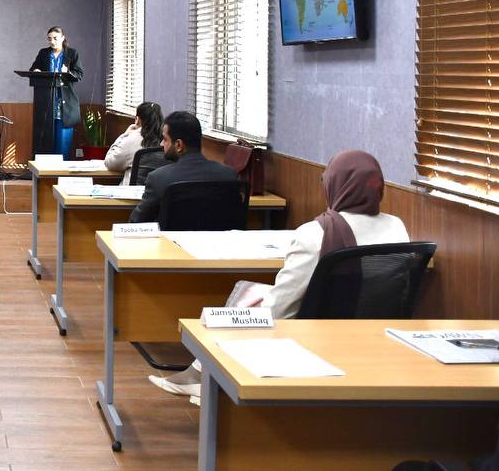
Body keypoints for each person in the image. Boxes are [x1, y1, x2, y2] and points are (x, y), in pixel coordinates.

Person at [150, 149, 410, 400]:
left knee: (244, 295)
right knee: (249, 293)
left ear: (334, 184)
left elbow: (279, 308)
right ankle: (200, 375)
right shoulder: (397, 227)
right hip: (375, 338)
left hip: (313, 340)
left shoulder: (315, 234)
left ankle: (205, 378)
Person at [128, 110, 238, 223]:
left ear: (179, 145)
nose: (161, 144)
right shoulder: (229, 175)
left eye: (165, 139)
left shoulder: (158, 178)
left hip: (170, 235)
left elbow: (136, 221)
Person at [29, 26, 84, 157]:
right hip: (47, 101)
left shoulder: (72, 53)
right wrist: (36, 70)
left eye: (55, 38)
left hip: (65, 103)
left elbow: (79, 75)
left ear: (63, 38)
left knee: (63, 143)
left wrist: (68, 72)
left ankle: (61, 168)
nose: (52, 41)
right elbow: (33, 69)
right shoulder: (43, 53)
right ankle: (45, 169)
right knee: (46, 141)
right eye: (49, 39)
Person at [103, 101, 164, 185]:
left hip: (134, 191)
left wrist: (124, 135)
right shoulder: (168, 139)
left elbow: (110, 163)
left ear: (138, 120)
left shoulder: (132, 138)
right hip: (160, 191)